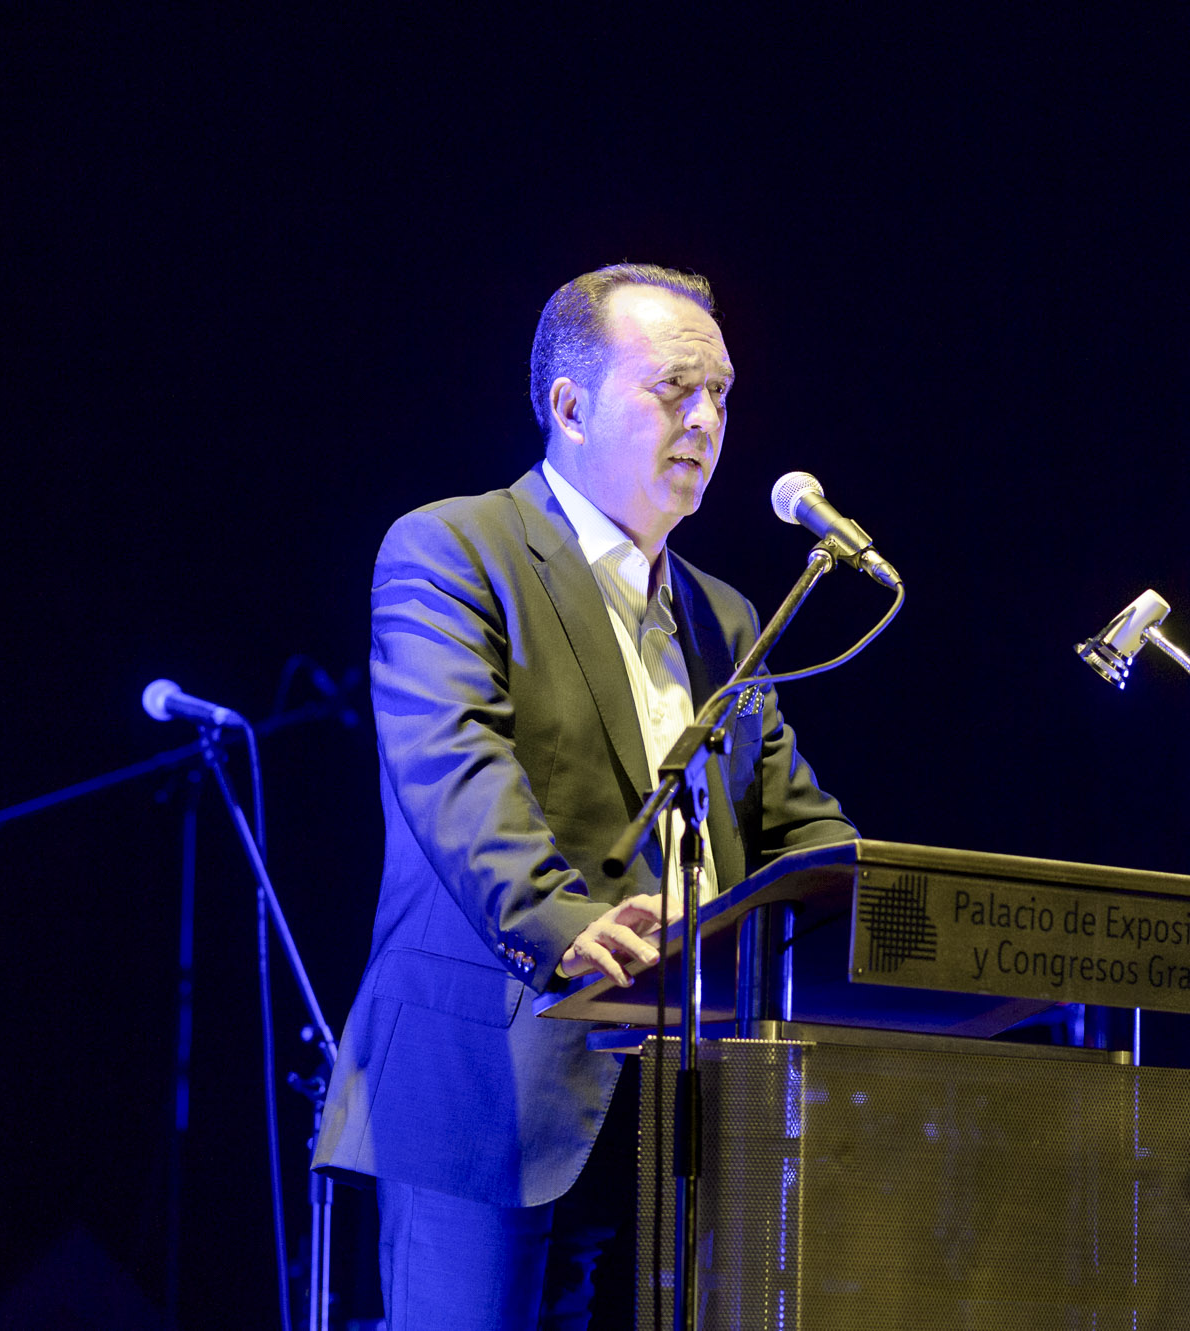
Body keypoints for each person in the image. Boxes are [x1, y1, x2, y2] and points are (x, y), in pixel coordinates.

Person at [312, 263, 856, 1330]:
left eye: (722, 393)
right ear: (569, 404)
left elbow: (793, 817)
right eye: (674, 388)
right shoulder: (453, 548)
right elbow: (456, 770)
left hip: (683, 1107)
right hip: (486, 1081)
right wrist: (564, 924)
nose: (707, 419)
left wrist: (897, 916)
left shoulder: (726, 617)